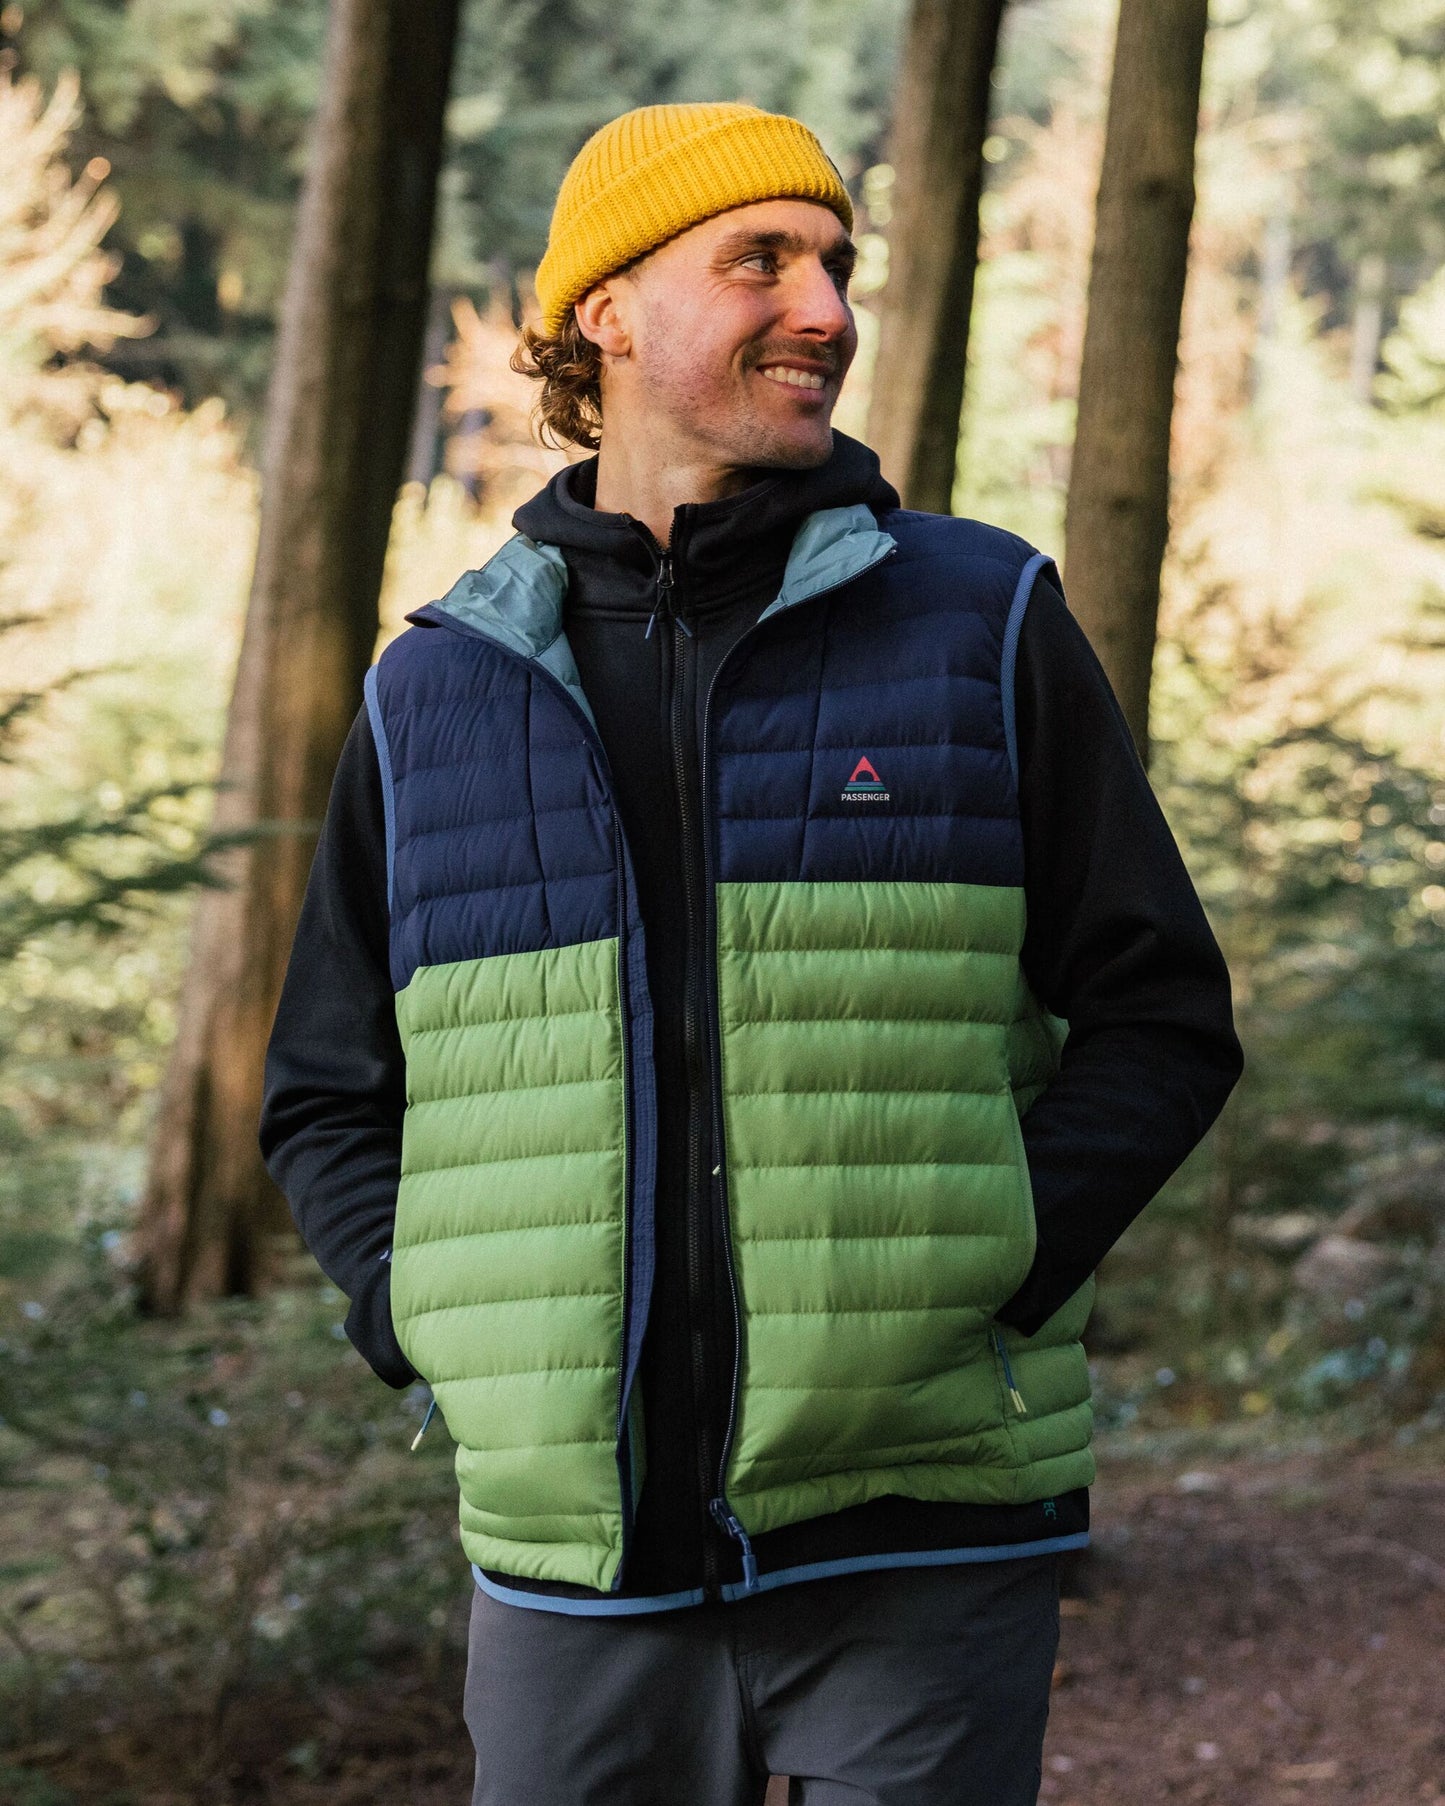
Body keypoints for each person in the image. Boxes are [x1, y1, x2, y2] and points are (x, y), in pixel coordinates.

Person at [260, 101, 1243, 1806]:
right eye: (759, 260)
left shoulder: (977, 619)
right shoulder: (438, 688)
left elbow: (1161, 1012)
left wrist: (993, 1255)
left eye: (837, 264)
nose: (825, 309)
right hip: (576, 1558)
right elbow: (324, 1091)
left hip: (923, 1526)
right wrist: (429, 1319)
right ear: (607, 312)